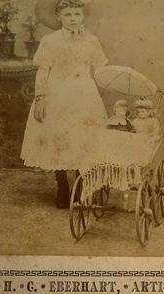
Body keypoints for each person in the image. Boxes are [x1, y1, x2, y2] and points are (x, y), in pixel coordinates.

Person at [21, 0, 108, 208]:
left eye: (77, 14)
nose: (73, 19)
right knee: (57, 137)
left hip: (84, 94)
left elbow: (101, 69)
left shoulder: (92, 40)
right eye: (68, 14)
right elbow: (42, 71)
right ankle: (62, 184)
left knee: (82, 137)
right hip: (57, 93)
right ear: (58, 17)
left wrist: (109, 84)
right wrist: (40, 97)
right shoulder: (50, 41)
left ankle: (80, 184)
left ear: (83, 16)